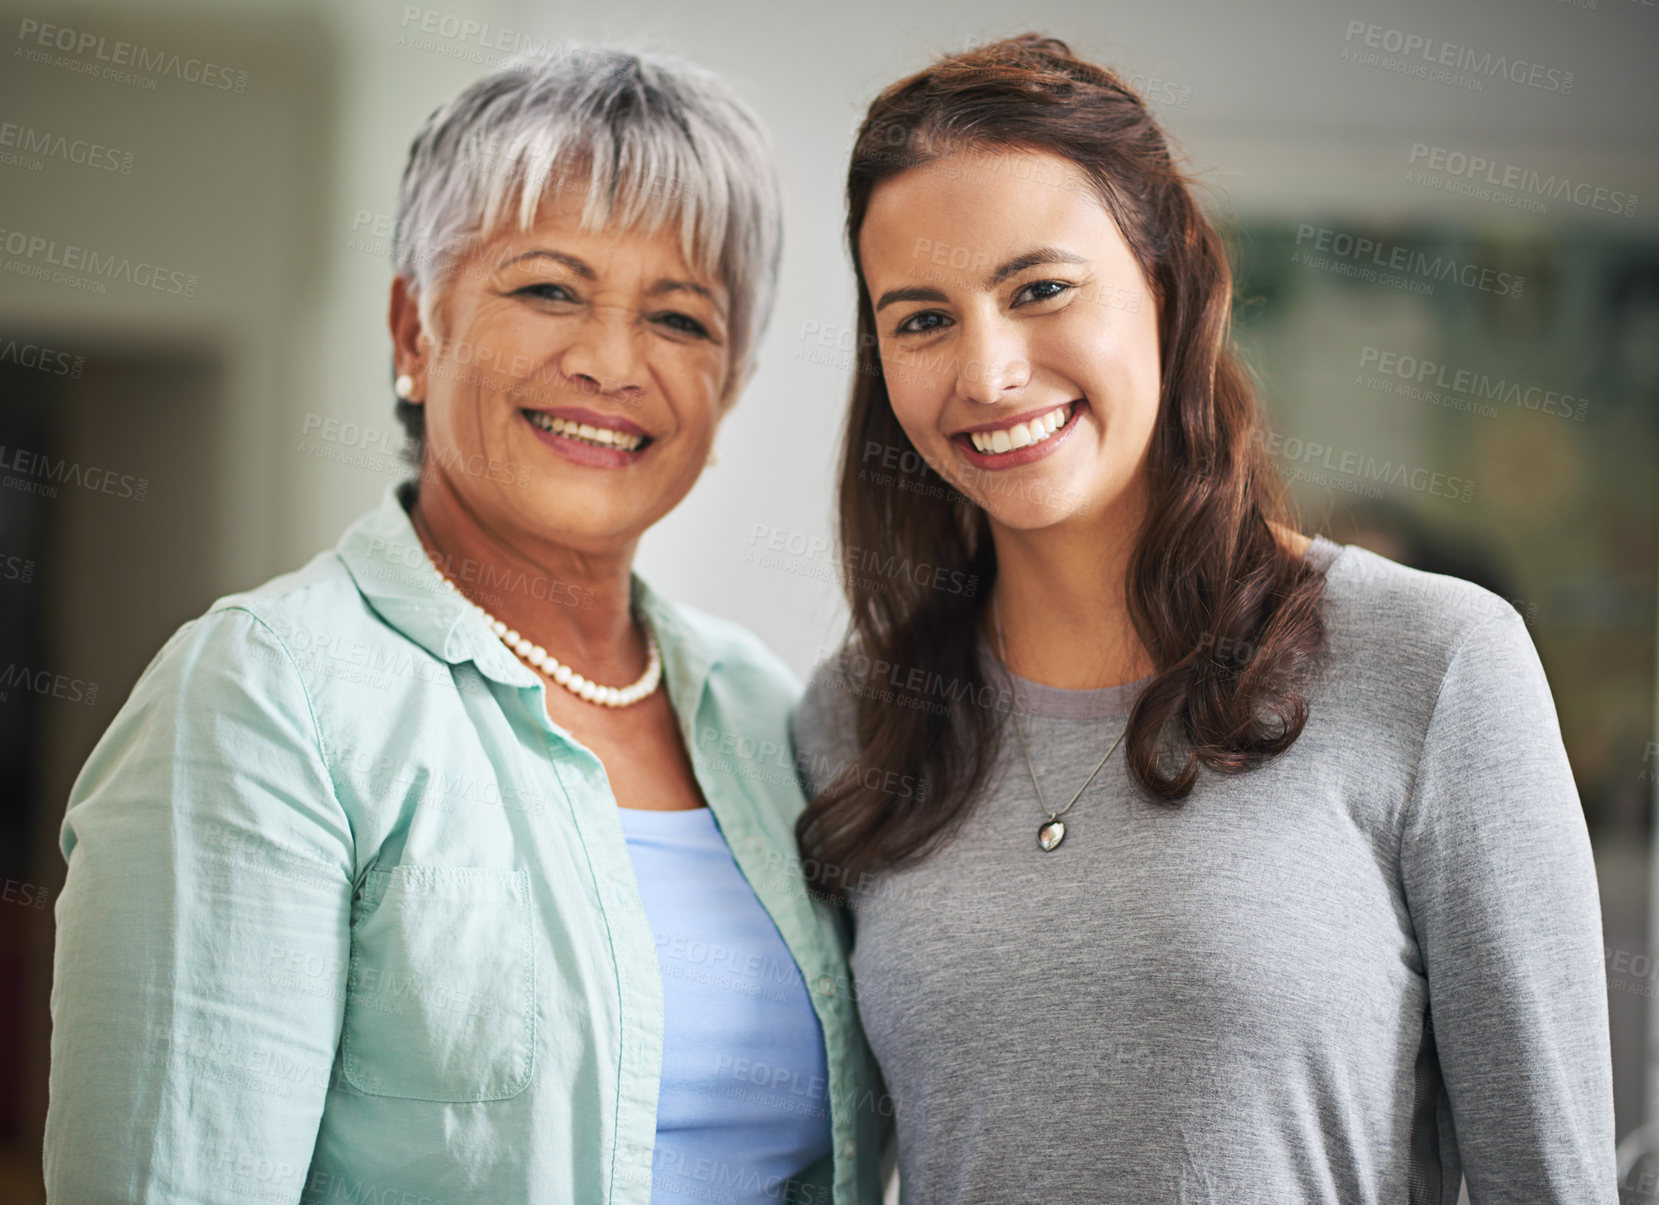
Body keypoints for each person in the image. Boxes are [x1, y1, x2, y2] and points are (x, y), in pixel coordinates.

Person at [46, 45, 883, 1205]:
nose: (608, 360)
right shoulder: (263, 694)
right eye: (548, 288)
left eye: (680, 317)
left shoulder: (761, 707)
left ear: (728, 383)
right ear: (413, 329)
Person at [791, 33, 1615, 1204]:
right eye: (921, 319)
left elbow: (1552, 1181)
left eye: (1039, 289)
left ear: (1168, 285)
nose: (987, 371)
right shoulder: (856, 715)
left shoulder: (1434, 665)